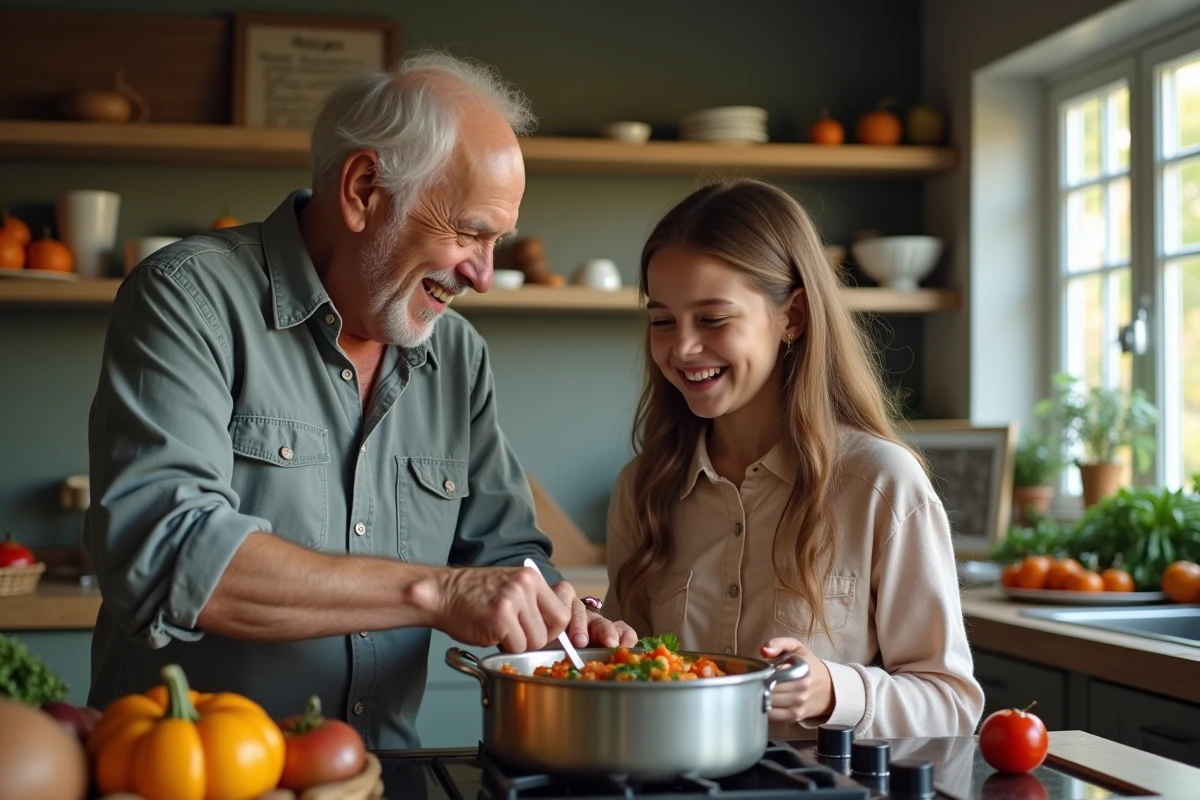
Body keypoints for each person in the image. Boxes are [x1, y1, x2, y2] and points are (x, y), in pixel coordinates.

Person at [82, 51, 635, 750]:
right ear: (364, 188)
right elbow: (164, 552)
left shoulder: (457, 355)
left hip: (379, 777)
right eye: (468, 232)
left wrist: (561, 613)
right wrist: (435, 594)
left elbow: (505, 554)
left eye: (498, 242)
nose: (484, 276)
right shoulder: (188, 299)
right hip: (187, 777)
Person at [601, 179, 983, 738]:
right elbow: (624, 678)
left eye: (712, 318)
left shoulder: (882, 484)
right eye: (662, 320)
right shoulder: (642, 488)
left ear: (794, 317)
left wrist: (834, 690)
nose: (681, 347)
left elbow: (951, 703)